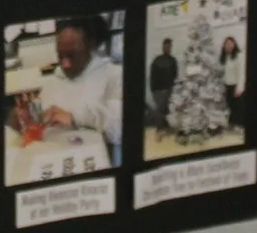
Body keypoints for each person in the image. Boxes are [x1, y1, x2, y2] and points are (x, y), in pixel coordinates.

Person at [31, 14, 124, 169]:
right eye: (61, 56)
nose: (65, 63)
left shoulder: (114, 76)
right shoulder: (52, 82)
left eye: (72, 55)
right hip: (51, 164)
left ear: (90, 45)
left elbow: (119, 128)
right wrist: (24, 119)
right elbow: (37, 126)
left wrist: (75, 117)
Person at [167, 17, 233, 143]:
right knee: (189, 108)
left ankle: (210, 128)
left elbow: (215, 67)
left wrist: (205, 71)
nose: (200, 34)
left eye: (203, 30)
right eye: (198, 31)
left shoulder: (209, 50)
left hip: (207, 86)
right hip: (191, 85)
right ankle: (187, 129)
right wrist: (190, 77)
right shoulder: (189, 50)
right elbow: (185, 68)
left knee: (208, 107)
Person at [147, 38, 179, 129]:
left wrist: (172, 89)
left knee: (168, 110)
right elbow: (152, 76)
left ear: (171, 48)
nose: (167, 48)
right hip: (158, 90)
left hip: (170, 90)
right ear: (163, 47)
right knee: (160, 110)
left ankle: (167, 128)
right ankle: (160, 129)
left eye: (169, 47)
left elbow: (175, 76)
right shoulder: (157, 60)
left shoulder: (173, 61)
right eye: (165, 46)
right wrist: (154, 91)